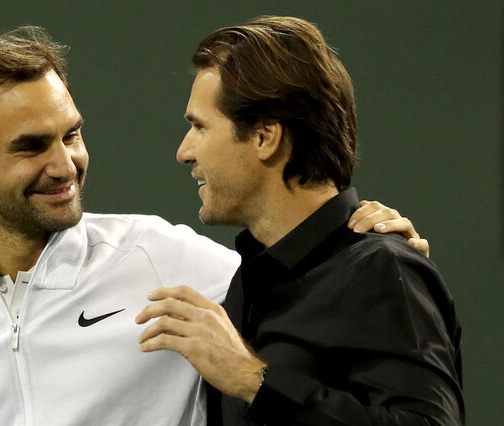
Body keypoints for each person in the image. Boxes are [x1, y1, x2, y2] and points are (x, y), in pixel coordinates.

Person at [0, 26, 427, 425]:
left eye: (72, 134)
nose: (66, 165)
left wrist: (366, 235)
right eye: (32, 146)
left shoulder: (165, 260)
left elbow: (311, 278)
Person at [136, 16, 463, 425]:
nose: (184, 152)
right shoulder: (247, 284)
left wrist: (251, 378)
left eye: (199, 127)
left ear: (264, 137)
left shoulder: (384, 266)